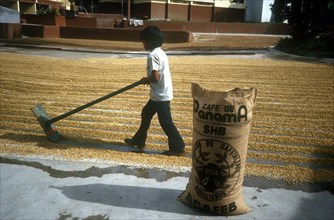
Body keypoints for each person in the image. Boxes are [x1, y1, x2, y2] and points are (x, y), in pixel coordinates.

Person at [124, 26, 185, 156]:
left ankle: (178, 146)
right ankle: (139, 140)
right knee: (146, 113)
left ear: (149, 42)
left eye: (143, 42)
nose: (143, 44)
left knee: (166, 123)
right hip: (160, 93)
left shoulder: (152, 55)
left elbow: (156, 77)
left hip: (160, 96)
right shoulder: (161, 52)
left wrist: (146, 79)